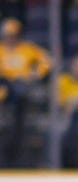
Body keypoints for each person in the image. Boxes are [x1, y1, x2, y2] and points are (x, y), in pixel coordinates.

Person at [0, 17, 51, 167]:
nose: (11, 38)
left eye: (13, 35)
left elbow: (46, 61)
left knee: (20, 90)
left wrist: (36, 73)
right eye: (8, 35)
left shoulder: (27, 48)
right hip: (3, 84)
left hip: (22, 85)